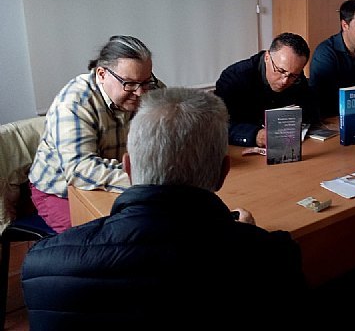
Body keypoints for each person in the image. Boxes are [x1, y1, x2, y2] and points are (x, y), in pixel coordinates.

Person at [21, 87, 308, 330]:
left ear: (128, 167)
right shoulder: (274, 255)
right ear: (223, 172)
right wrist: (246, 240)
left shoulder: (43, 264)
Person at [28, 35, 161, 233]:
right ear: (101, 74)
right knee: (98, 245)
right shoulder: (74, 101)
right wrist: (147, 179)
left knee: (157, 228)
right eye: (130, 84)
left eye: (145, 82)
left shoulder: (148, 88)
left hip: (119, 182)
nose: (141, 93)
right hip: (61, 190)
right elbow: (80, 169)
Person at [214, 32, 318, 147]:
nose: (285, 81)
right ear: (267, 57)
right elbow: (218, 125)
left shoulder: (296, 76)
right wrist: (255, 135)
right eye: (281, 71)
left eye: (293, 75)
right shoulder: (234, 78)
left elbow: (310, 109)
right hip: (242, 152)